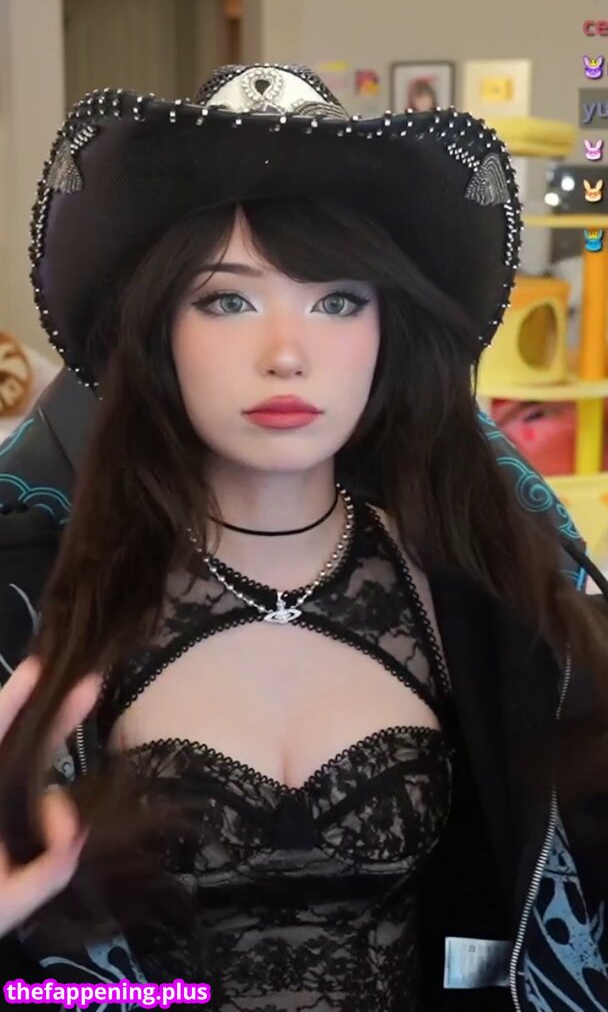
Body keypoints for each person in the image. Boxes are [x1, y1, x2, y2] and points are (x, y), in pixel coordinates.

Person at [0, 63, 607, 1012]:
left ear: (387, 330)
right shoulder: (38, 607)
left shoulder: (483, 598)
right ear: (159, 332)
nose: (286, 353)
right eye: (227, 300)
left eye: (337, 300)